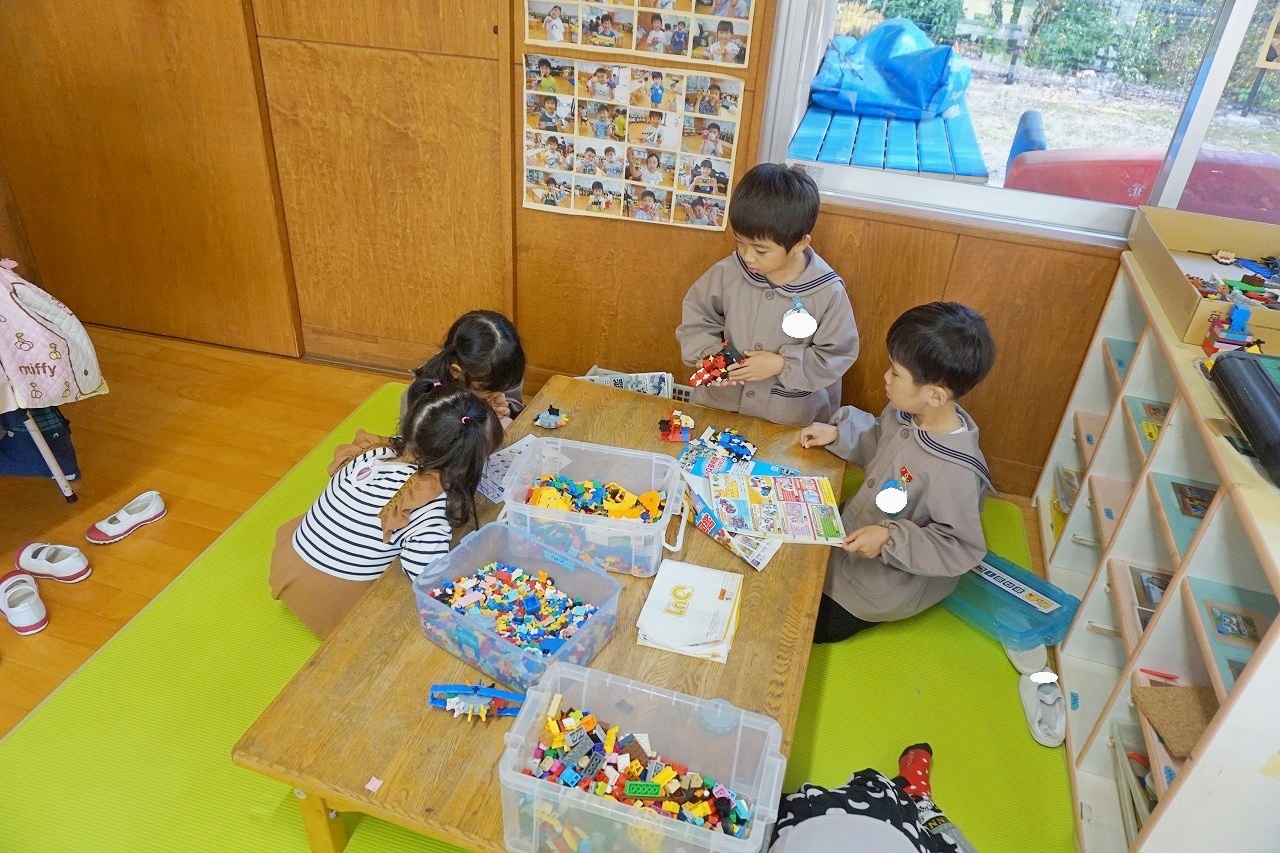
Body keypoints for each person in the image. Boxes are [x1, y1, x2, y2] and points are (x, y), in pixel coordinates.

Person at [798, 302, 996, 643]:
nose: (886, 378)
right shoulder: (909, 411)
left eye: (895, 372)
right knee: (788, 569)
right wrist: (838, 434)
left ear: (935, 396)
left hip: (882, 581)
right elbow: (881, 440)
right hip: (853, 529)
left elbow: (959, 547)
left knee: (802, 624)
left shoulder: (956, 472)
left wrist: (889, 539)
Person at [269, 382, 503, 637]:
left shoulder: (374, 451)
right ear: (466, 465)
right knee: (413, 605)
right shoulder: (427, 506)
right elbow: (426, 576)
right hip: (333, 607)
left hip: (288, 569)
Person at [676, 163, 858, 425]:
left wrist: (782, 365)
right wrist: (710, 354)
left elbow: (836, 355)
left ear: (800, 243)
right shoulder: (729, 272)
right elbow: (697, 317)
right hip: (721, 407)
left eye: (761, 250)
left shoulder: (827, 292)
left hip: (789, 421)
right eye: (740, 242)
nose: (748, 256)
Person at [403, 310, 527, 426]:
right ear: (456, 371)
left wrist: (506, 409)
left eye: (502, 387)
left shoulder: (505, 368)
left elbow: (515, 402)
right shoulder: (424, 392)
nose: (496, 393)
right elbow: (421, 436)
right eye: (487, 389)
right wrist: (481, 418)